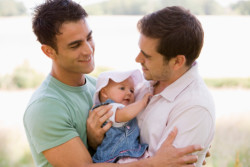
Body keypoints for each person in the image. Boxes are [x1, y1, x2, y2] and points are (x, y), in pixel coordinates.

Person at [23, 0, 204, 166]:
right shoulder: (45, 108)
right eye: (75, 45)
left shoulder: (100, 87)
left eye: (89, 38)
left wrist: (186, 147)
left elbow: (130, 133)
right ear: (49, 52)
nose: (88, 50)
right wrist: (155, 163)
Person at [87, 6, 215, 167]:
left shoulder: (194, 109)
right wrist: (94, 139)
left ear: (177, 62)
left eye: (147, 56)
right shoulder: (147, 83)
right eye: (140, 50)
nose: (137, 59)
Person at [91, 69, 151, 163]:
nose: (129, 93)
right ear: (104, 92)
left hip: (128, 153)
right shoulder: (108, 108)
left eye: (132, 90)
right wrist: (142, 102)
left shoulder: (121, 107)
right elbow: (125, 114)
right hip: (115, 157)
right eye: (122, 88)